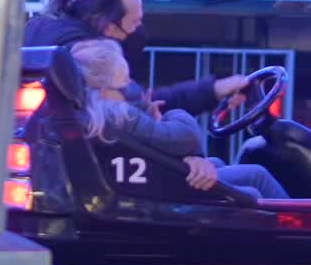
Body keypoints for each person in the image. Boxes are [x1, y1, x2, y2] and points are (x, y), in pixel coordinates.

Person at [71, 38, 288, 200]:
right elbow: (187, 138)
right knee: (256, 176)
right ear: (103, 92)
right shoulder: (119, 113)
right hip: (160, 188)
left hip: (154, 178)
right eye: (126, 80)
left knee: (218, 164)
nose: (133, 86)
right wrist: (166, 116)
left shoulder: (95, 115)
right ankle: (300, 237)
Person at [24, 0, 251, 122]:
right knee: (255, 178)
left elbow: (142, 101)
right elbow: (147, 112)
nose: (138, 30)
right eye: (133, 23)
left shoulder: (44, 30)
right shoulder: (93, 59)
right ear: (109, 27)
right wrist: (192, 155)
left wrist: (212, 90)